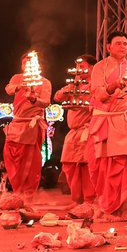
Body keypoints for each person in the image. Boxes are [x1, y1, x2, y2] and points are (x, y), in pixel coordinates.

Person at [88, 31, 127, 220]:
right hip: (104, 120)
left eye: (125, 43)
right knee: (100, 167)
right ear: (108, 47)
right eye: (119, 43)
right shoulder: (99, 68)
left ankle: (116, 207)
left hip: (125, 122)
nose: (123, 46)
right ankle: (105, 204)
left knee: (121, 167)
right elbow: (97, 94)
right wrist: (114, 85)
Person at [3, 53, 53, 205]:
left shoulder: (44, 82)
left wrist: (34, 99)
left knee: (30, 163)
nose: (27, 66)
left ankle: (28, 197)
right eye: (25, 63)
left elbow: (46, 102)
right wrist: (20, 86)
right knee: (10, 157)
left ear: (38, 66)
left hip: (32, 125)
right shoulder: (17, 78)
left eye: (31, 64)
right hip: (16, 123)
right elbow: (9, 89)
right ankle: (17, 192)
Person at [53, 54, 96, 208]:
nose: (79, 70)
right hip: (73, 132)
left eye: (82, 67)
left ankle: (89, 201)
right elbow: (57, 96)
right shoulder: (74, 85)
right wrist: (73, 87)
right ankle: (77, 200)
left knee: (86, 166)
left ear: (92, 68)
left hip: (88, 130)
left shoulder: (95, 85)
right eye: (77, 67)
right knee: (69, 165)